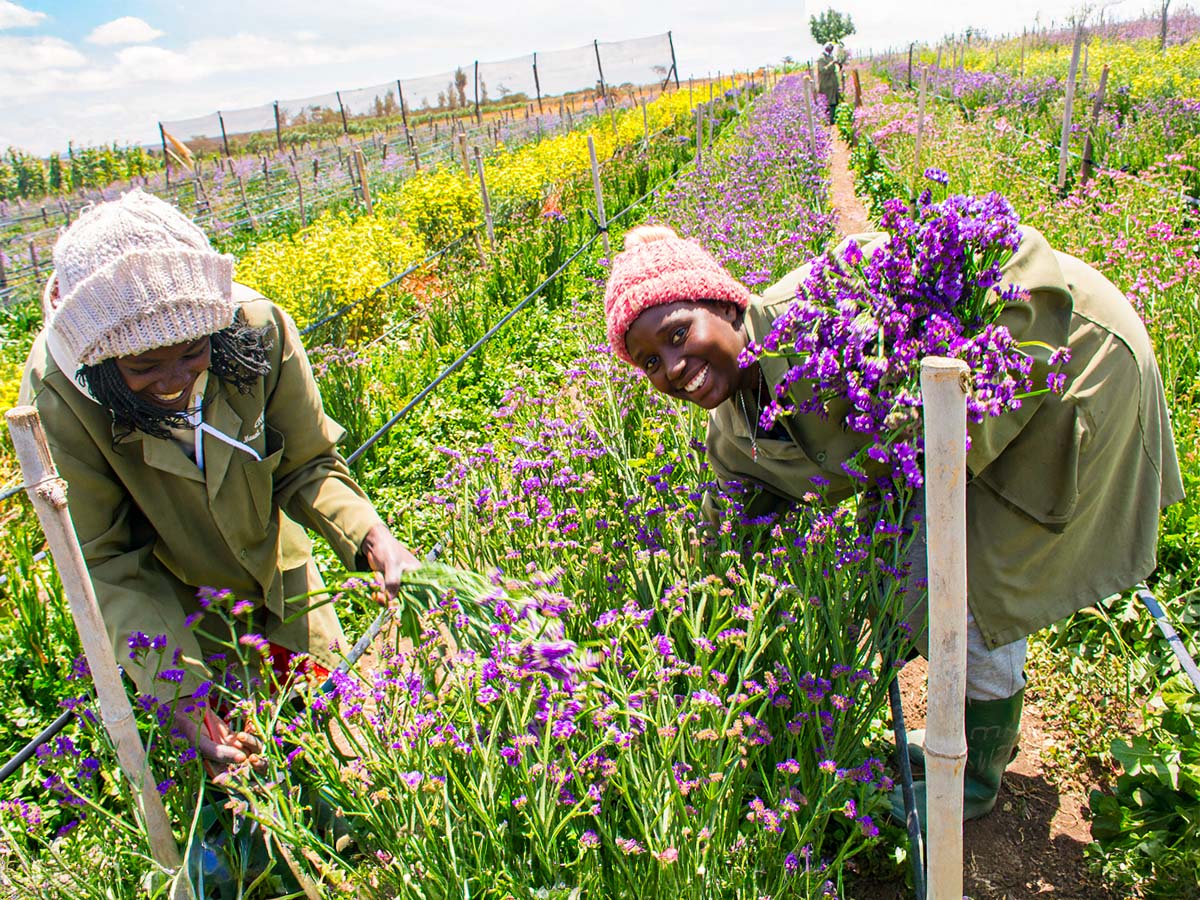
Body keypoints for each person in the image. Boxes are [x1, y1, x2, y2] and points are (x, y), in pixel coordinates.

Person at [602, 223, 1184, 822]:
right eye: (650, 362)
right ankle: (962, 742)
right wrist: (690, 665)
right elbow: (725, 543)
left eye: (679, 334)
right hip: (962, 422)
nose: (672, 367)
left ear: (725, 304)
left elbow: (1019, 253)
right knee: (916, 563)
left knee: (971, 574)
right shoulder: (736, 427)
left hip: (1070, 357)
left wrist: (952, 442)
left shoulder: (825, 306)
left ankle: (973, 776)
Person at [20, 190, 420, 773]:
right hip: (177, 614)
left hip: (282, 577)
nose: (173, 381)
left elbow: (308, 463)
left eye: (191, 352)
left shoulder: (254, 328)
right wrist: (179, 692)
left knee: (343, 745)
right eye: (142, 368)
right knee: (240, 776)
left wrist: (372, 538)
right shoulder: (59, 398)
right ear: (101, 362)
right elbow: (106, 558)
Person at [816, 43, 842, 123]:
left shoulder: (831, 56)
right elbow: (823, 70)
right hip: (826, 84)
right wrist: (832, 63)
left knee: (834, 102)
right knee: (828, 102)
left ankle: (832, 120)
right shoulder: (821, 58)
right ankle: (828, 120)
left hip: (832, 83)